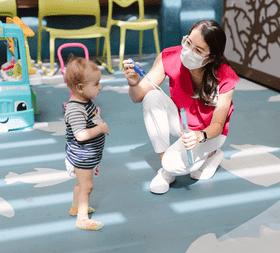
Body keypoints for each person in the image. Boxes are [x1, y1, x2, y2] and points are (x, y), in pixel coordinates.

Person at [123, 20, 239, 194]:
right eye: (188, 42)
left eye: (198, 50)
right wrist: (133, 84)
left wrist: (200, 135)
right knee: (152, 96)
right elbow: (139, 97)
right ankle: (166, 171)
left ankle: (212, 152)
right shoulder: (169, 56)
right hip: (183, 125)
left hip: (208, 133)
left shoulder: (225, 76)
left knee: (187, 170)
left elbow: (217, 125)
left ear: (212, 57)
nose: (189, 51)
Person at [64, 57, 109, 230]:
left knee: (80, 183)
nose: (100, 87)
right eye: (96, 84)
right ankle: (82, 218)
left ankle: (76, 206)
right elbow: (81, 135)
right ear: (80, 88)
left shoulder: (85, 101)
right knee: (87, 186)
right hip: (82, 157)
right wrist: (101, 128)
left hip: (88, 155)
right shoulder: (75, 109)